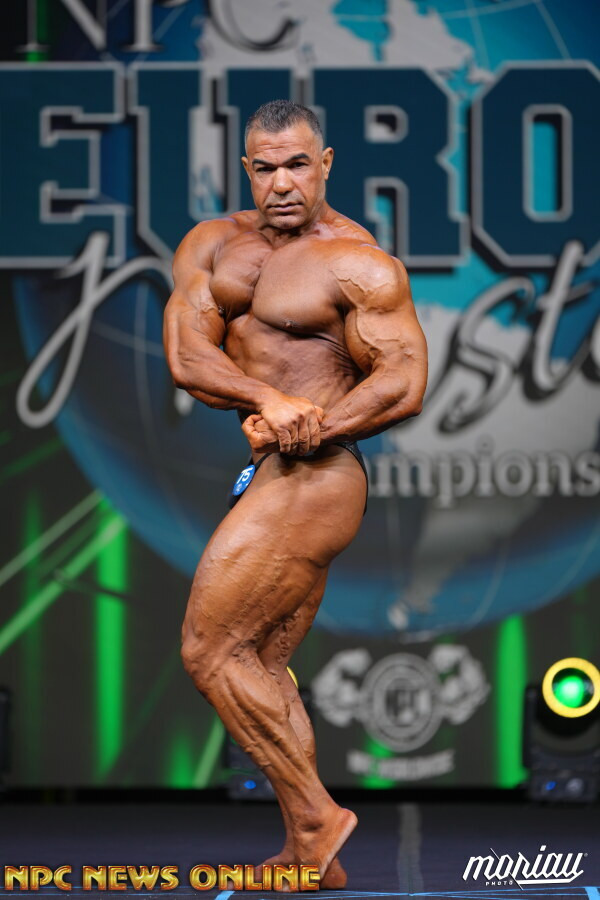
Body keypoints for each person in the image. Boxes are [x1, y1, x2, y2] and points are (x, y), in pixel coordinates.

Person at [163, 100, 427, 889]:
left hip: (320, 475)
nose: (282, 182)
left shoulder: (357, 262)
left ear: (326, 164)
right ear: (247, 169)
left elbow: (403, 380)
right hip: (274, 470)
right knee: (263, 663)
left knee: (210, 649)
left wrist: (308, 427)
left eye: (298, 165)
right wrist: (267, 401)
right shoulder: (213, 245)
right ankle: (312, 855)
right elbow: (187, 354)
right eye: (266, 167)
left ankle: (317, 818)